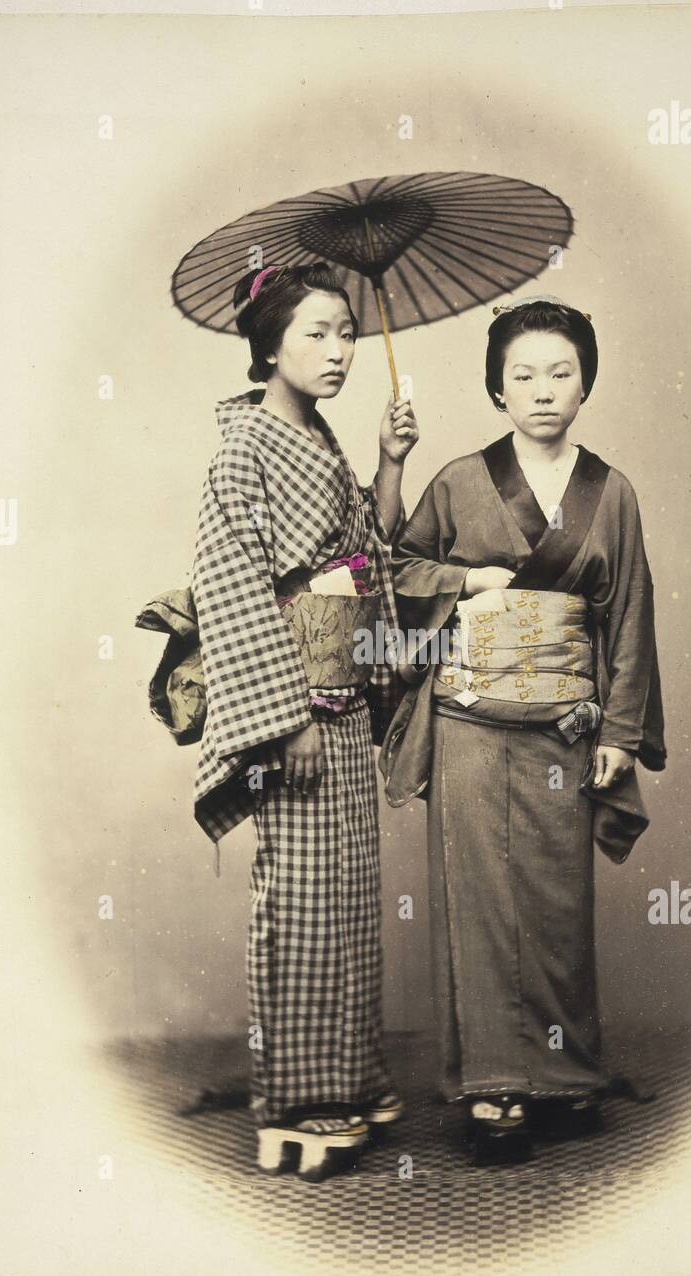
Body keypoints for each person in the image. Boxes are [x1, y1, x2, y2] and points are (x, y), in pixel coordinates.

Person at [379, 293, 665, 1164]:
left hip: (565, 726)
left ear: (586, 386)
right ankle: (495, 1091)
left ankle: (567, 1076)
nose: (543, 390)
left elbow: (629, 618)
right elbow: (390, 566)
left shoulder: (609, 493)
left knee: (558, 903)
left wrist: (619, 731)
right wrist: (465, 579)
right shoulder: (462, 480)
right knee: (476, 903)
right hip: (469, 722)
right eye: (523, 375)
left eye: (561, 373)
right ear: (498, 391)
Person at [191, 261, 418, 1181]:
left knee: (349, 897)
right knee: (302, 901)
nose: (339, 350)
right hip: (294, 699)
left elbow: (374, 554)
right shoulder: (243, 446)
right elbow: (233, 584)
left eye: (348, 333)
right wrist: (283, 717)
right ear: (270, 342)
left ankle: (348, 1078)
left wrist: (391, 462)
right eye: (318, 332)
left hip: (345, 689)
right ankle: (301, 1099)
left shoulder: (318, 439)